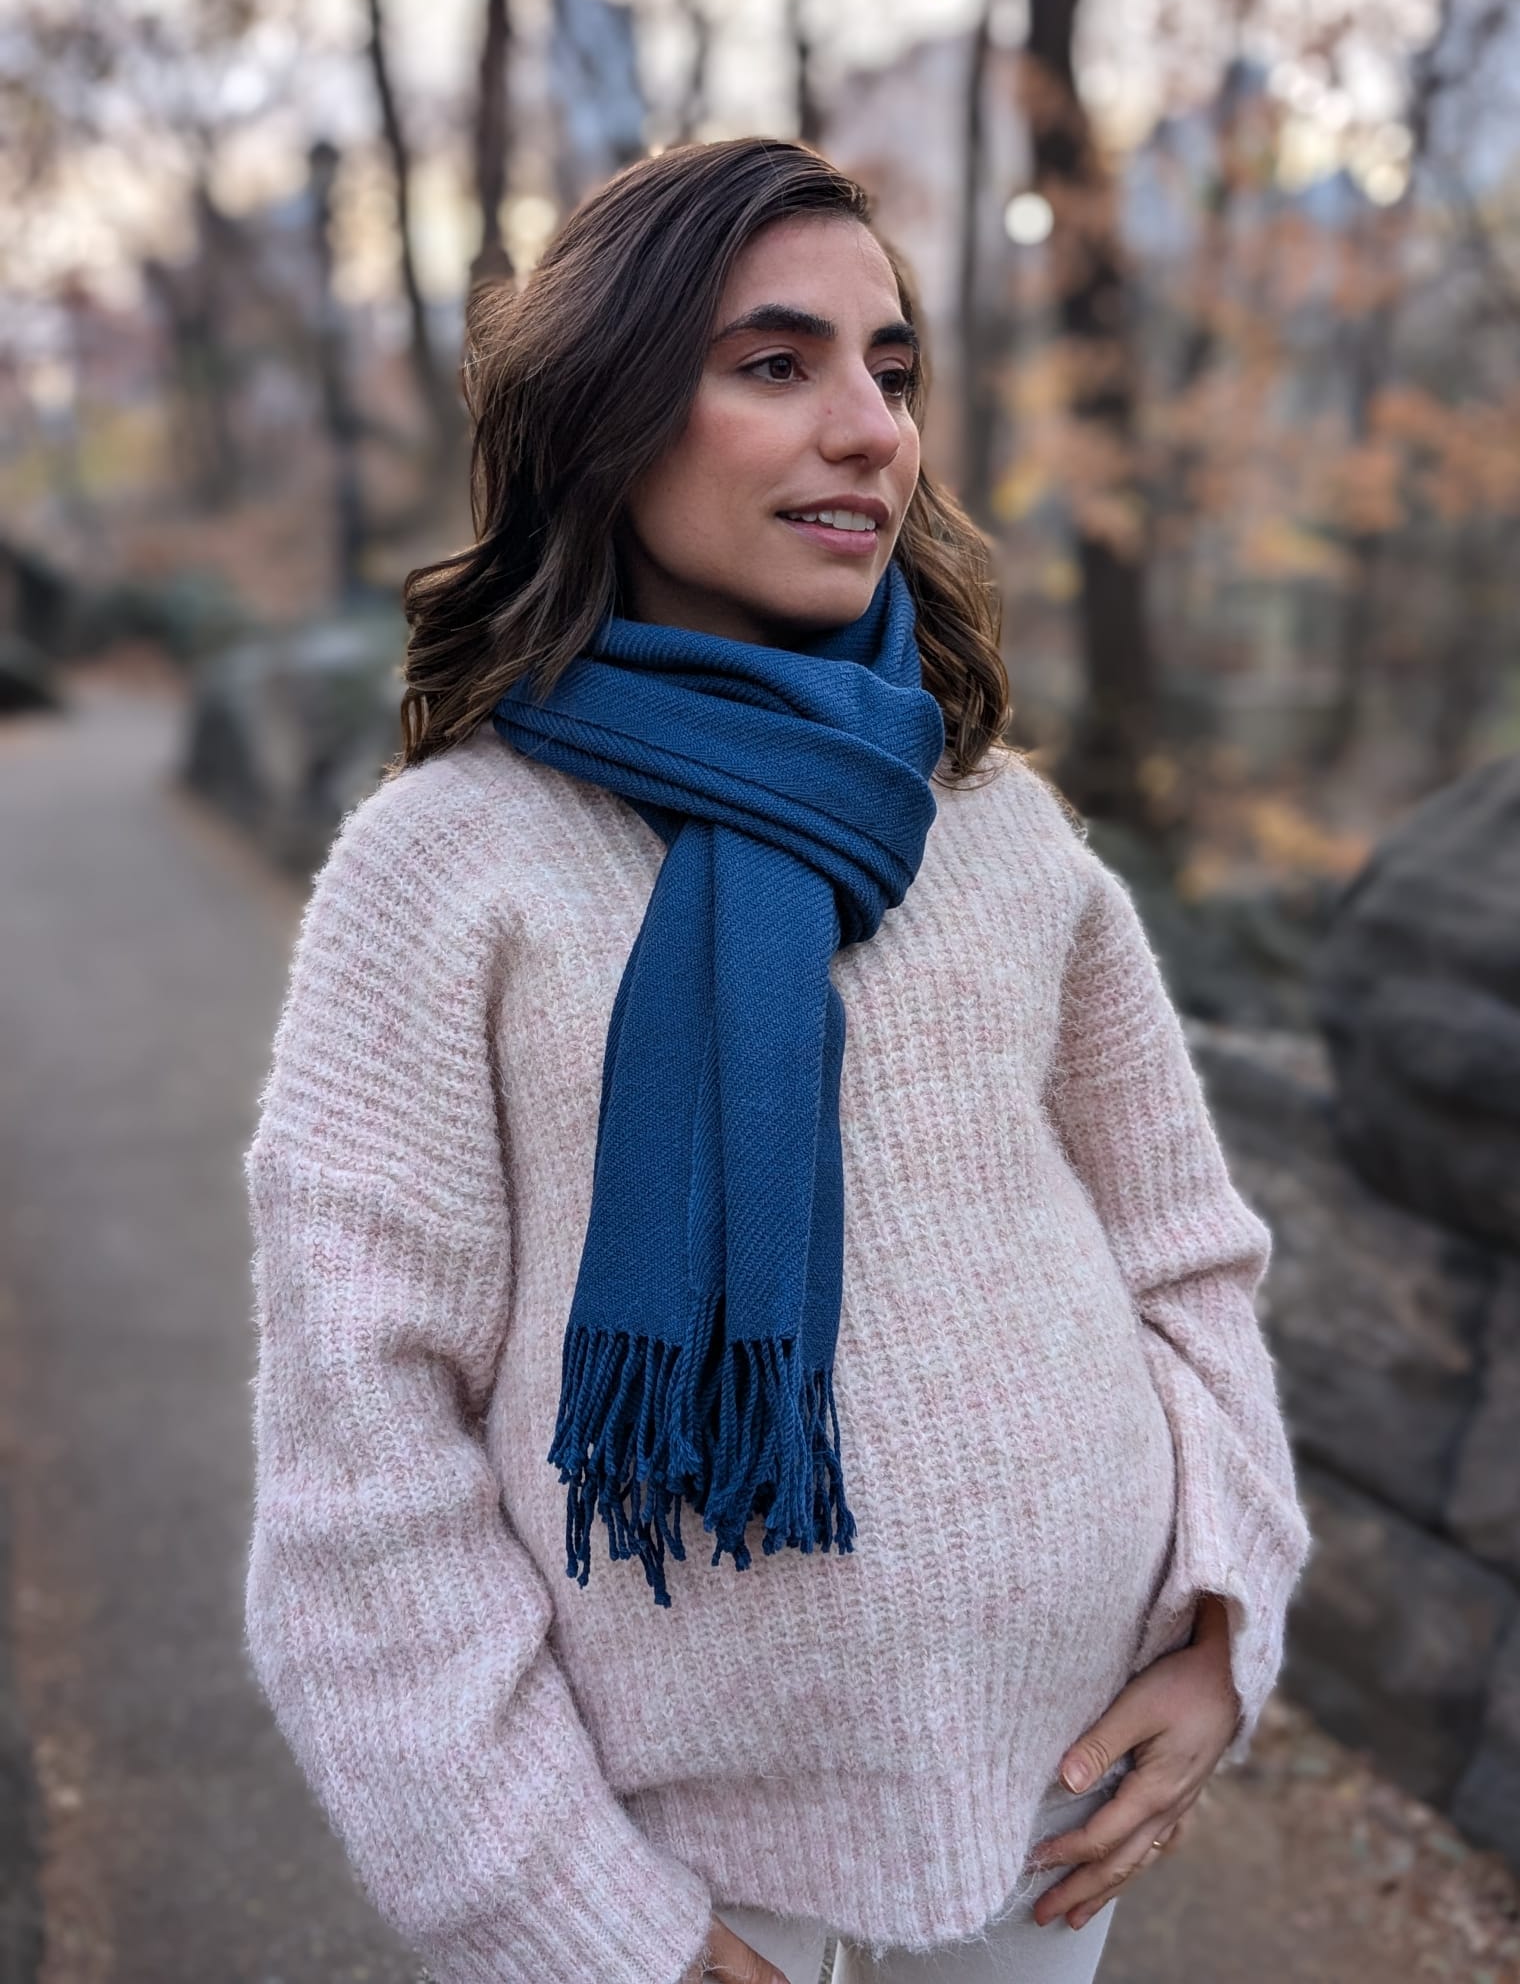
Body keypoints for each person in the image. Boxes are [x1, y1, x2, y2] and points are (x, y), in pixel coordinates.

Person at [242, 137, 1313, 1984]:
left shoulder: (993, 827)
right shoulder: (450, 869)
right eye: (774, 364)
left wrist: (1227, 1624)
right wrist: (570, 1912)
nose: (870, 430)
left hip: (1060, 1798)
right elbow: (363, 1461)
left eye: (892, 371)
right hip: (678, 1866)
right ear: (606, 418)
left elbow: (1183, 1254)